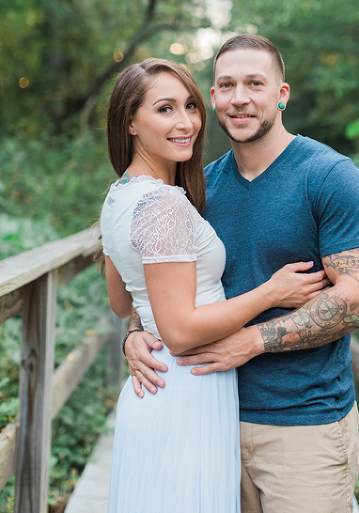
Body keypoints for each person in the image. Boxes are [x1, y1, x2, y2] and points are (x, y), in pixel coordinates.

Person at [125, 36, 359, 513]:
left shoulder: (329, 175)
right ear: (215, 98)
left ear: (281, 94)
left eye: (254, 83)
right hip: (209, 418)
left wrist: (253, 341)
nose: (239, 97)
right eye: (227, 85)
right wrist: (136, 334)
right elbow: (170, 285)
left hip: (303, 425)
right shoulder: (197, 186)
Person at [101, 57, 327, 512]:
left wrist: (136, 336)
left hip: (161, 389)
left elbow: (122, 301)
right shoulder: (164, 205)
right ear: (130, 122)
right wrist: (271, 293)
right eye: (164, 109)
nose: (185, 122)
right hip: (185, 391)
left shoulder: (119, 194)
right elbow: (180, 333)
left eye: (190, 105)